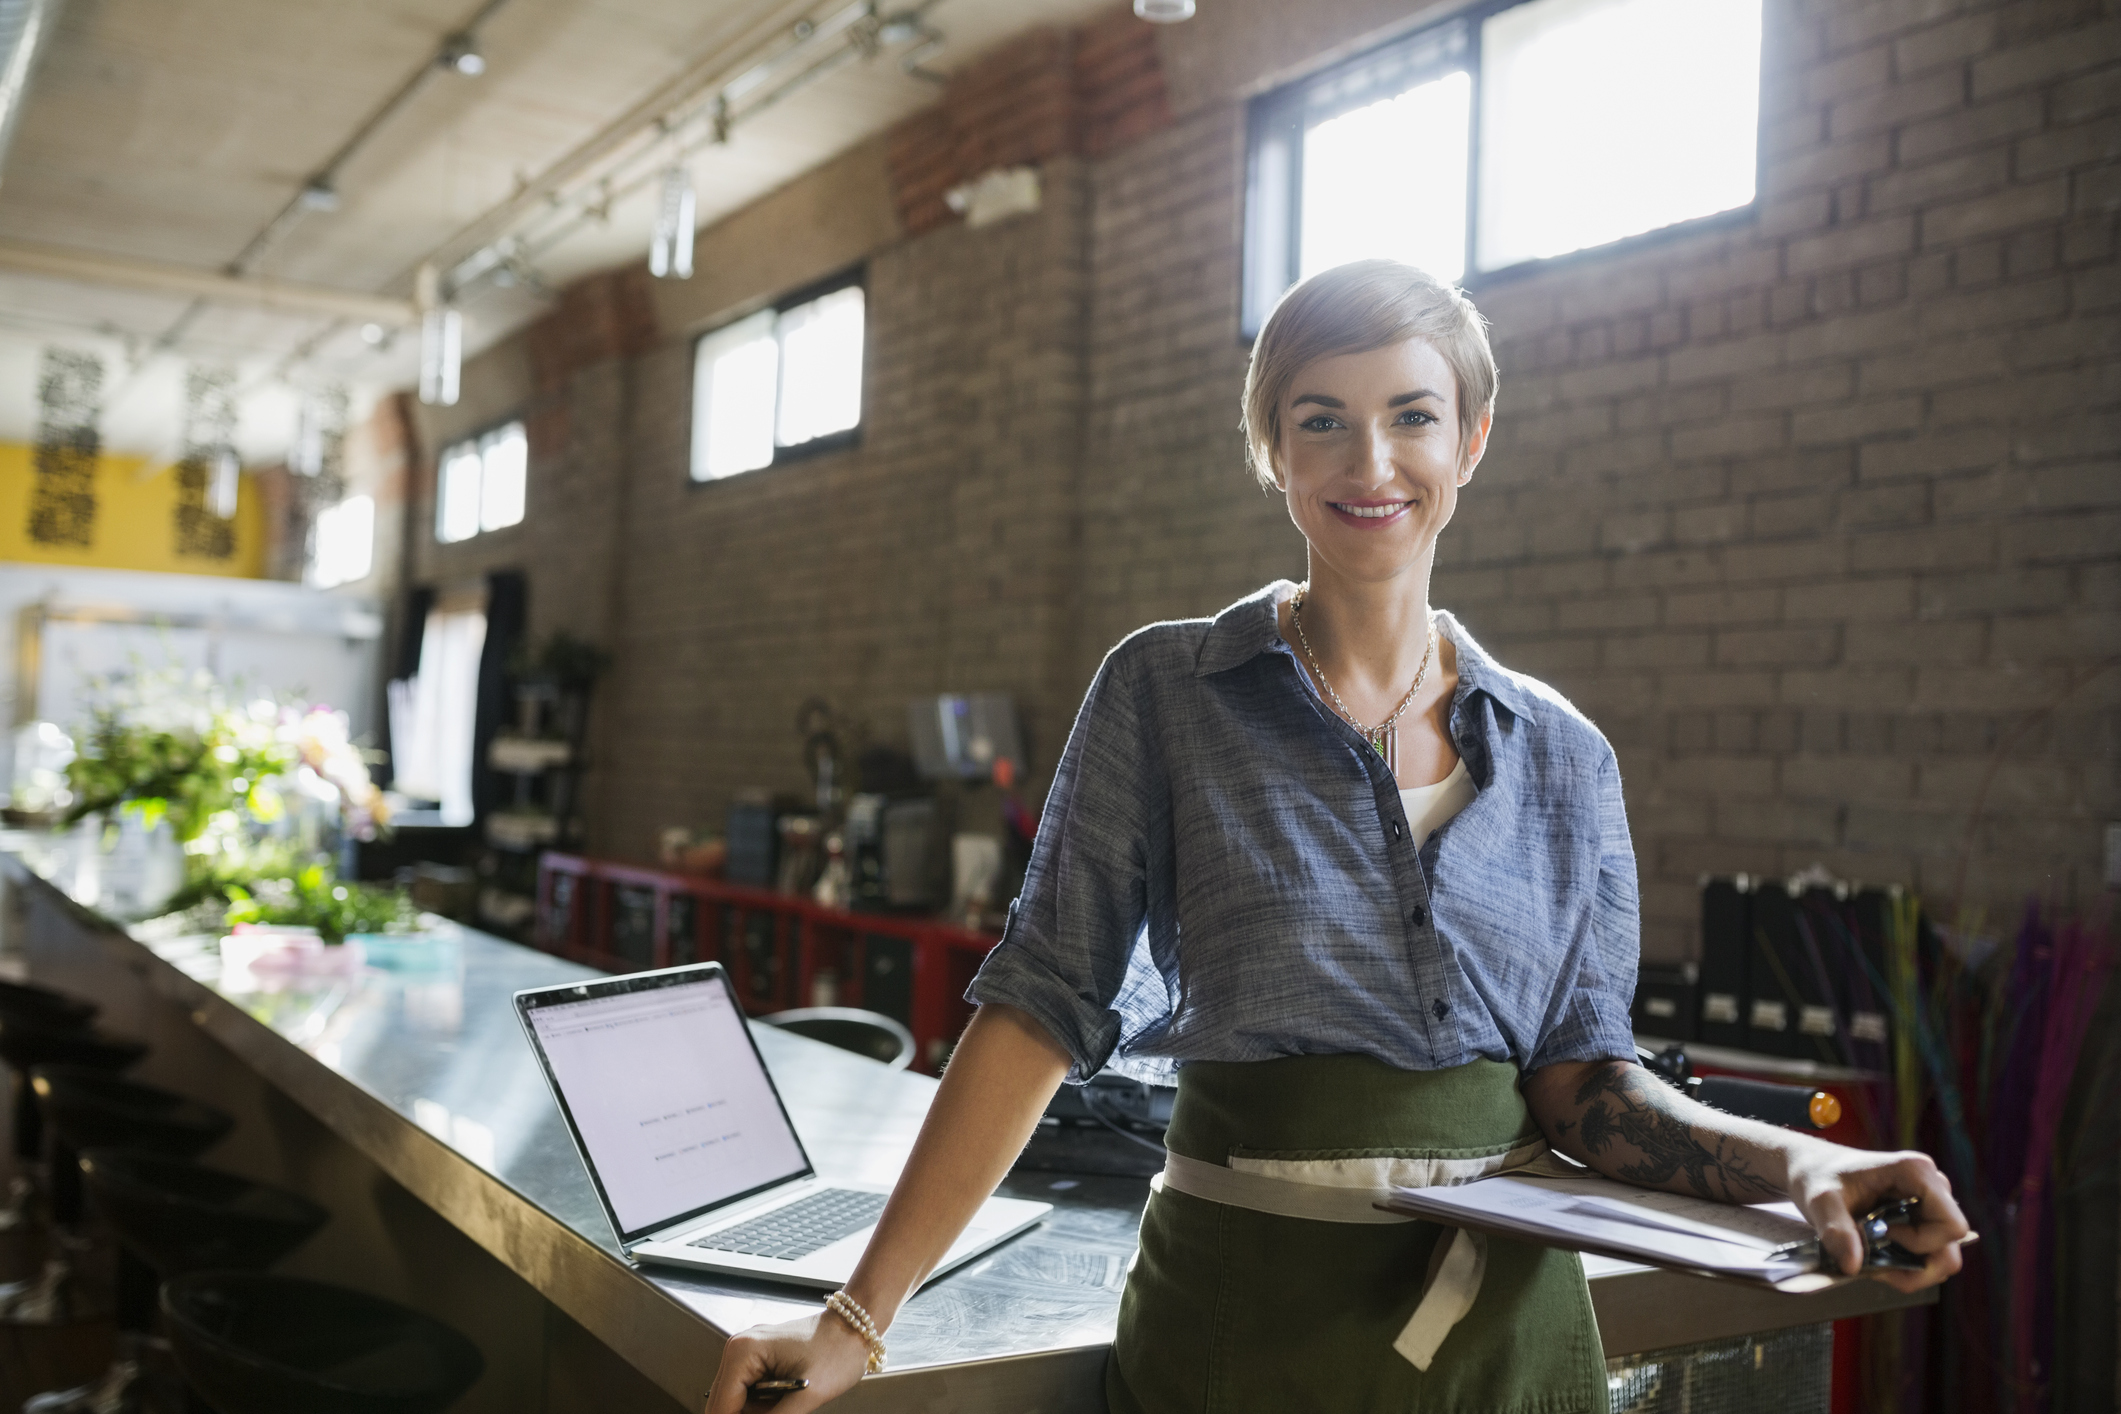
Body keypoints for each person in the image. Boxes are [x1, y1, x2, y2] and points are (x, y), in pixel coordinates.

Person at [704, 260, 1968, 1414]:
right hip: (1239, 1330)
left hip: (1509, 1352)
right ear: (1272, 449)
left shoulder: (1565, 756)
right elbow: (1039, 1005)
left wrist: (1802, 1165)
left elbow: (1590, 1087)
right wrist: (855, 1317)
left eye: (1413, 416)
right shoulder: (1166, 692)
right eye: (1323, 419)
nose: (1372, 461)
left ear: (1470, 441)